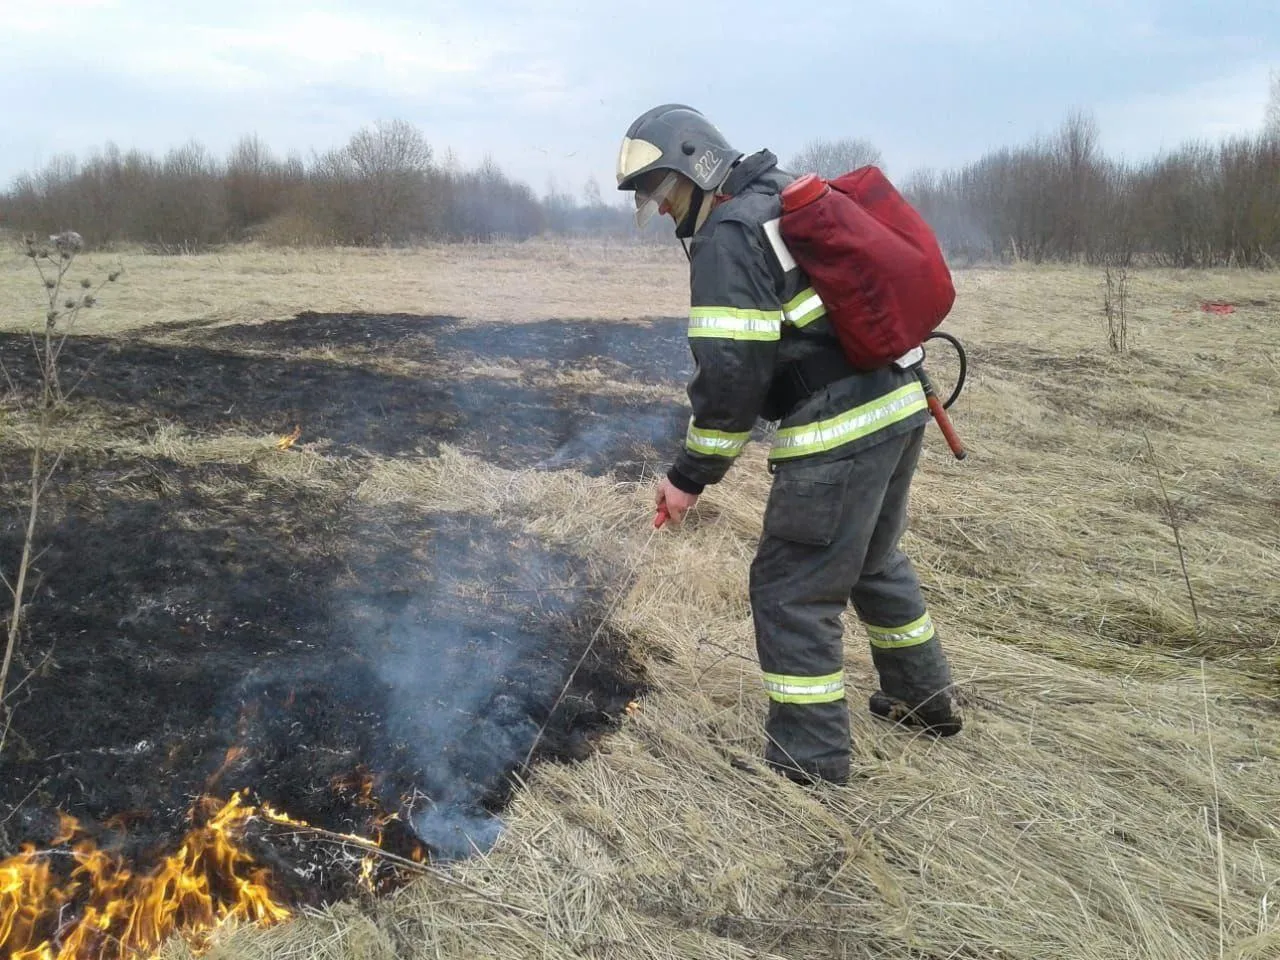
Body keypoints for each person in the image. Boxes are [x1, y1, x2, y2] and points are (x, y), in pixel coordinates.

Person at [615, 104, 962, 786]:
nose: (660, 210)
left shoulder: (727, 234)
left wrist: (689, 476)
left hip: (840, 428)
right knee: (872, 560)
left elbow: (731, 375)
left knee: (791, 591)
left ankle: (809, 764)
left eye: (662, 190)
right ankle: (922, 701)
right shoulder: (779, 195)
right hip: (899, 401)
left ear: (696, 164)